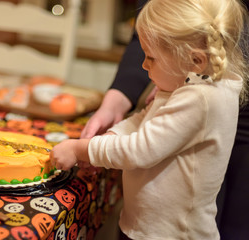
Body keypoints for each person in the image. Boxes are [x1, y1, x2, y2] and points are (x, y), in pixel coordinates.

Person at [50, 0, 248, 239]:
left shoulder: (201, 99)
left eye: (151, 58)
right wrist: (110, 137)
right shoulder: (188, 82)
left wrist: (81, 149)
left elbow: (139, 150)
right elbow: (144, 120)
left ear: (195, 60)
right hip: (142, 228)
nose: (144, 65)